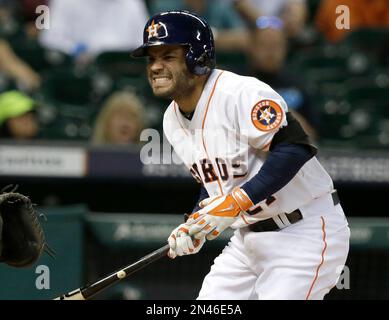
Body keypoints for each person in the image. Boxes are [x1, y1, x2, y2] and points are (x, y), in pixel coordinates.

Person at [132, 10, 350, 300]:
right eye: (152, 58)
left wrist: (234, 204)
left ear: (198, 57)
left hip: (303, 231)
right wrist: (195, 221)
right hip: (246, 242)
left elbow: (295, 147)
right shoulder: (171, 120)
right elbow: (218, 181)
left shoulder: (240, 93)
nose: (156, 66)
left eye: (168, 56)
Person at [245, 16, 318, 140]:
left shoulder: (298, 84)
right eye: (264, 45)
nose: (270, 52)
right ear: (252, 47)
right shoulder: (238, 81)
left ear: (285, 49)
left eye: (276, 46)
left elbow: (312, 136)